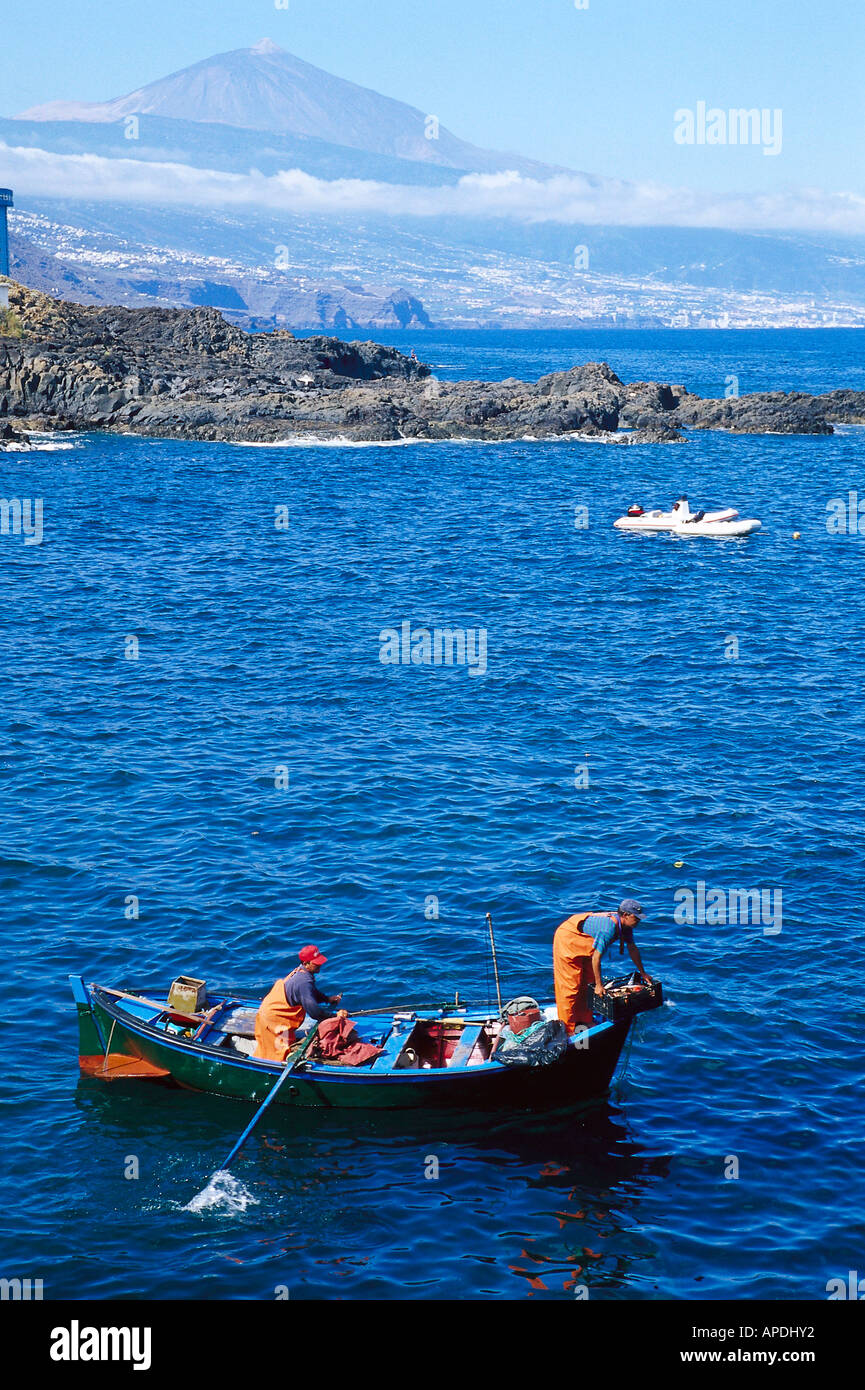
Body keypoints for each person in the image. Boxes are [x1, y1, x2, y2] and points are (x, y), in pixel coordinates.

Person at [553, 898, 652, 1033]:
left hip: (586, 946)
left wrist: (643, 973)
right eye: (636, 917)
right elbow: (596, 958)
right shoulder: (608, 928)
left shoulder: (627, 927)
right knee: (571, 987)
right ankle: (568, 1029)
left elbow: (633, 949)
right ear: (625, 915)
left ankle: (585, 1020)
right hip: (568, 940)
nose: (639, 921)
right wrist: (600, 985)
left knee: (588, 984)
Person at [253, 945, 346, 1062]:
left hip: (274, 1015)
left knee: (274, 1047)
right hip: (273, 1022)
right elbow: (314, 1012)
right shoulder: (303, 981)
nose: (320, 964)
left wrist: (327, 999)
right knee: (277, 1055)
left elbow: (310, 993)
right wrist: (334, 1016)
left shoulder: (302, 972)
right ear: (306, 963)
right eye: (316, 963)